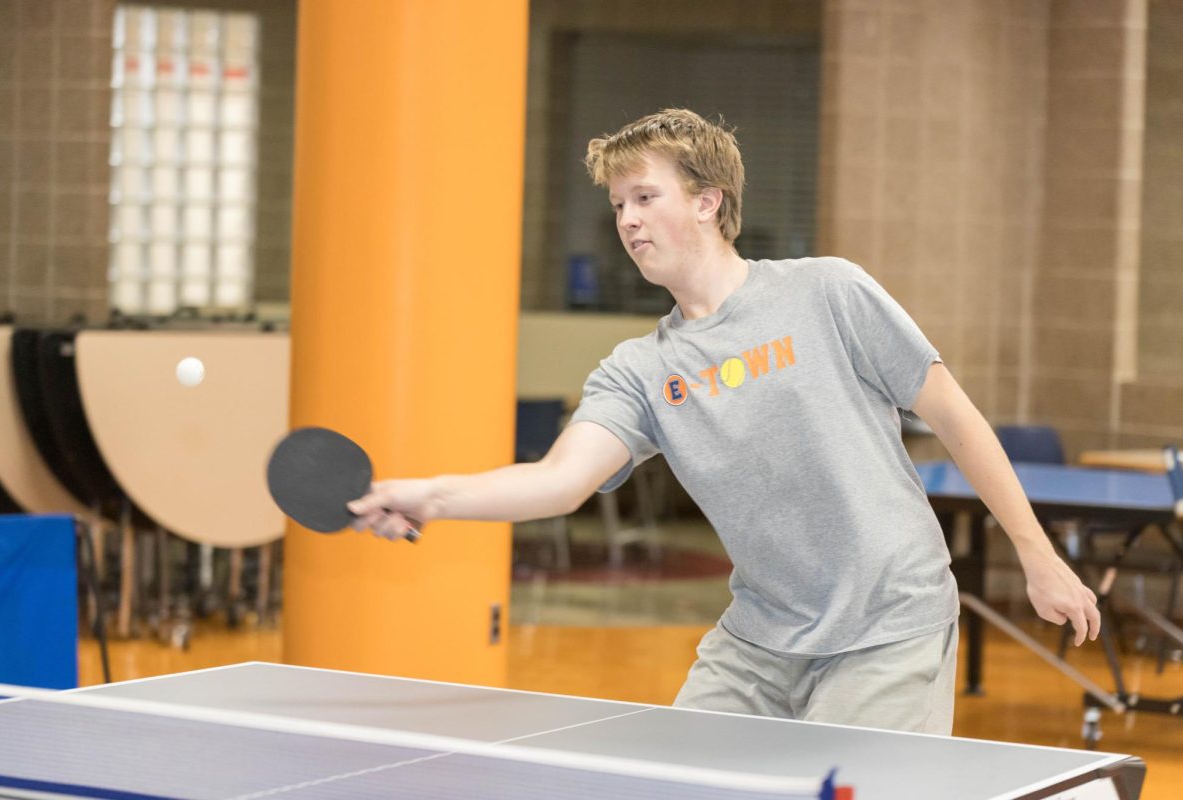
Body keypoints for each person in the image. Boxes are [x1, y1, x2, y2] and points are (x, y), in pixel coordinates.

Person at [348, 108, 1100, 735]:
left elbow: (957, 417)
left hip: (886, 629)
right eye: (617, 206)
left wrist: (1036, 553)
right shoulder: (640, 368)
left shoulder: (828, 292)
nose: (627, 221)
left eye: (644, 197)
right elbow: (558, 482)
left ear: (708, 202)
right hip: (760, 642)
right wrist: (434, 497)